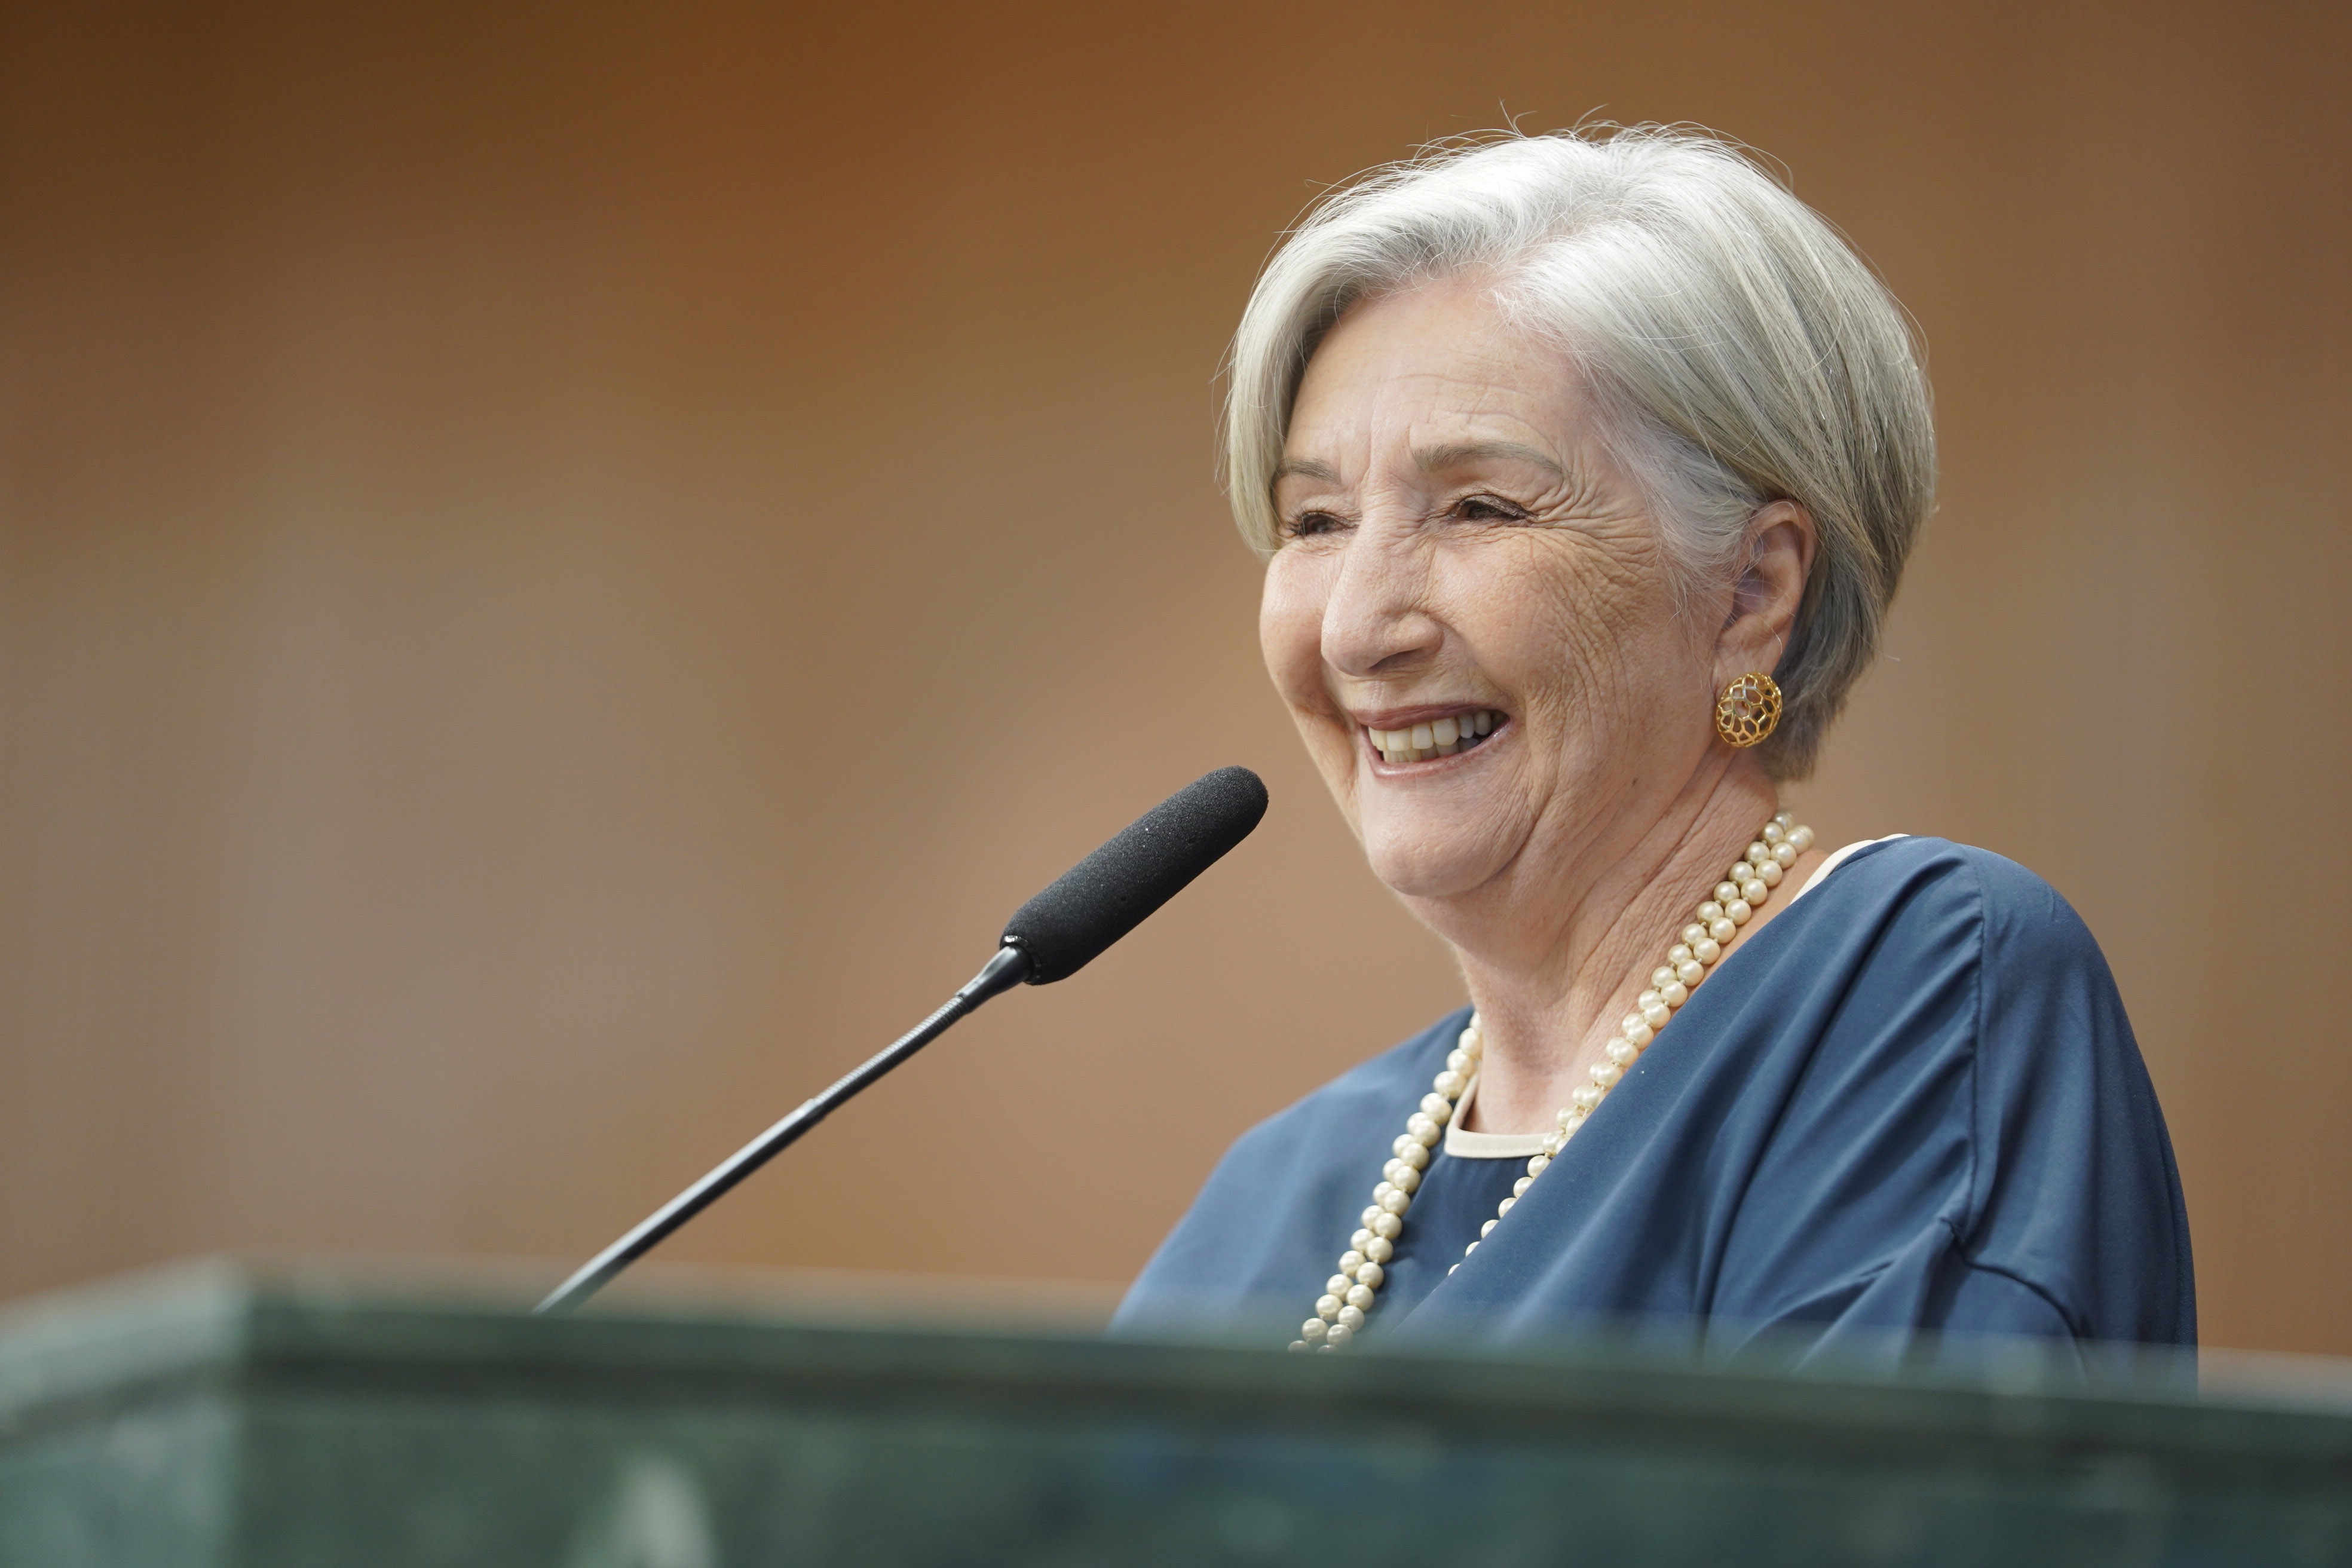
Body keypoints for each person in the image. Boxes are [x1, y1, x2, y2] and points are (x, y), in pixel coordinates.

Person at [1113, 128, 2193, 1362]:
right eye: (1315, 521)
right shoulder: (1276, 1195)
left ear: (1749, 593)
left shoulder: (1909, 992)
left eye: (1479, 507)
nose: (1357, 628)